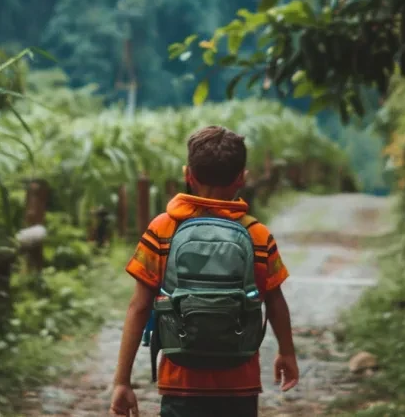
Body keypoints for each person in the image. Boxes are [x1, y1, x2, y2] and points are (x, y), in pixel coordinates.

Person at [109, 126, 299, 417]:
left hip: (180, 378)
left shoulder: (163, 229)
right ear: (242, 178)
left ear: (188, 175)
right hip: (240, 380)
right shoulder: (257, 235)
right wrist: (287, 352)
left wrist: (122, 381)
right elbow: (275, 301)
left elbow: (139, 306)